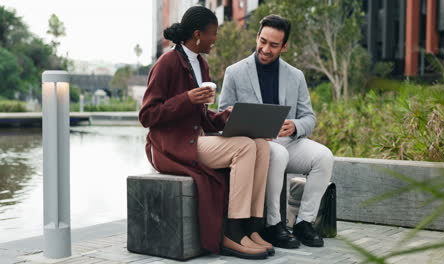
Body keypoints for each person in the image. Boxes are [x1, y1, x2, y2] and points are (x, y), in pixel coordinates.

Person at [139, 6, 273, 260]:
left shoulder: (201, 64)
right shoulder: (167, 62)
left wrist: (227, 116)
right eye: (213, 34)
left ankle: (251, 227)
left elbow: (202, 118)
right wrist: (186, 99)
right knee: (244, 146)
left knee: (260, 145)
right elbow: (147, 116)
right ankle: (233, 232)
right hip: (170, 146)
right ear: (198, 34)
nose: (216, 39)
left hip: (194, 140)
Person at [219, 14, 334, 248]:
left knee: (324, 156)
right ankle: (273, 225)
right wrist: (234, 115)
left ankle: (304, 223)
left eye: (273, 45)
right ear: (257, 36)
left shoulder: (296, 76)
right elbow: (221, 116)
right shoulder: (235, 72)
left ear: (285, 46)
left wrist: (296, 126)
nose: (265, 49)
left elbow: (309, 117)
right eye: (263, 41)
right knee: (277, 154)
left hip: (288, 140)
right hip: (256, 144)